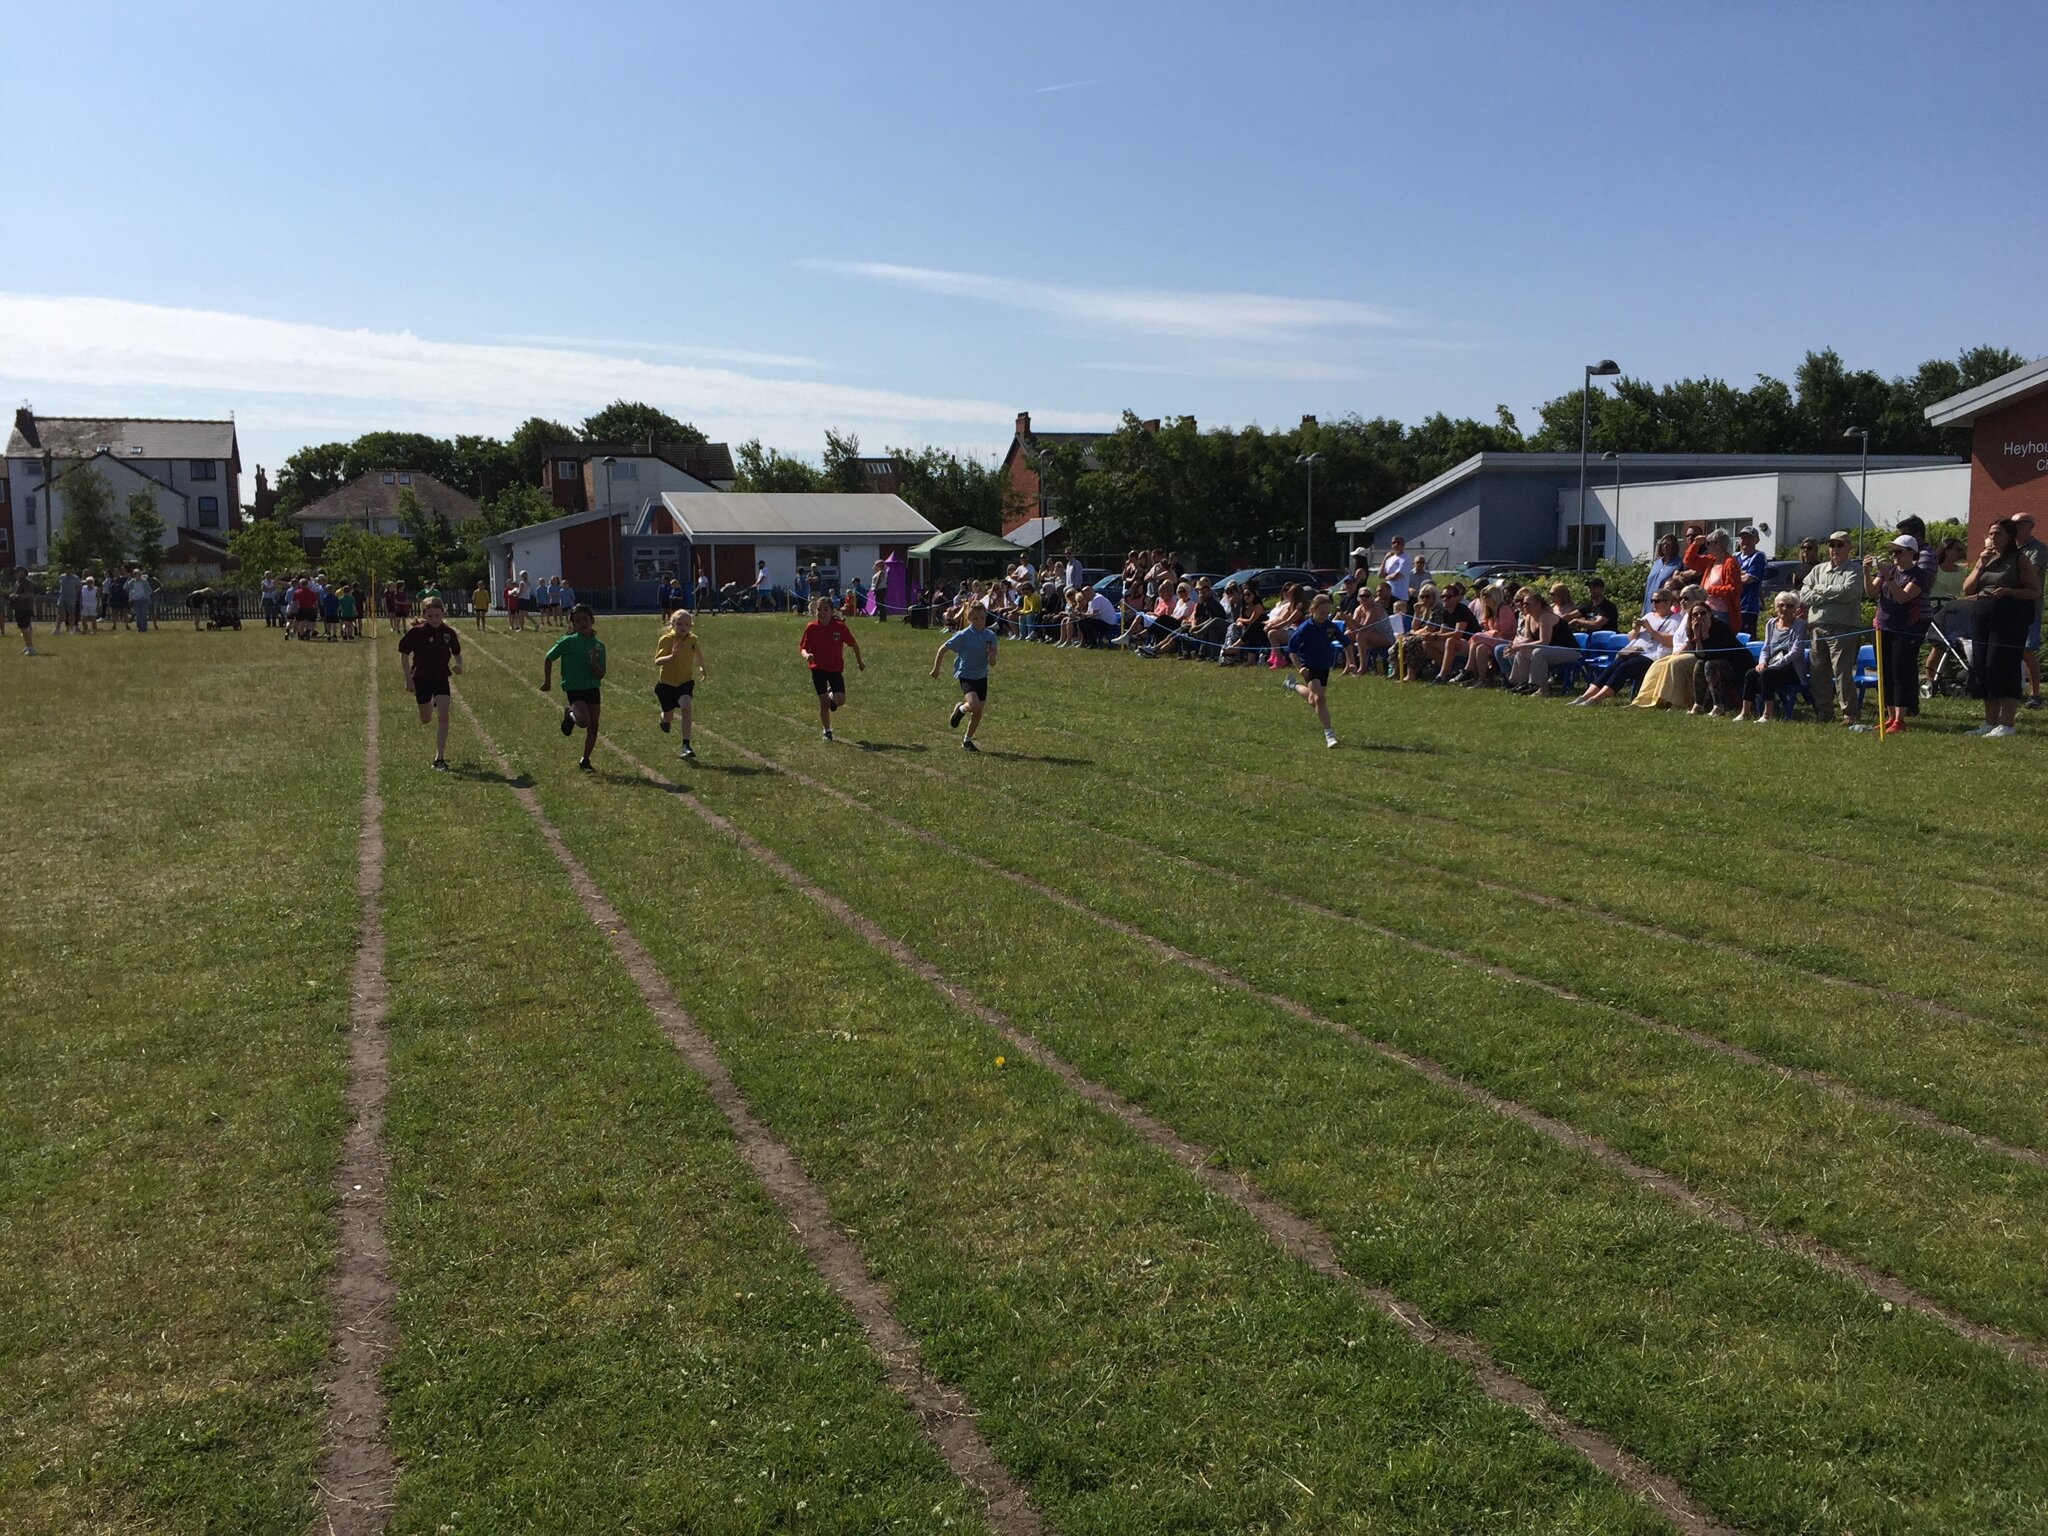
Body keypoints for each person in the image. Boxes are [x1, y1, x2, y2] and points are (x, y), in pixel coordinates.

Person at [1961, 517, 2041, 737]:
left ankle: (2007, 723)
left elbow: (2034, 591)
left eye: (1999, 534)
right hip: (1983, 615)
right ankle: (1989, 722)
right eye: (1992, 534)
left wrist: (2010, 592)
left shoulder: (2019, 559)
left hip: (2009, 619)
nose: (1994, 538)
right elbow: (1968, 589)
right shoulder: (1986, 559)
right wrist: (1979, 565)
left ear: (2010, 537)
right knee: (1984, 666)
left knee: (2002, 665)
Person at [1571, 588, 1683, 705]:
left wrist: (1650, 630)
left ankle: (1597, 698)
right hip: (1634, 651)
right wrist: (1635, 630)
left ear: (1668, 602)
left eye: (1657, 601)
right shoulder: (1649, 616)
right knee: (1612, 667)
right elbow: (1630, 638)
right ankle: (1585, 696)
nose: (1654, 603)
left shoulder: (1675, 619)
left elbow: (1671, 641)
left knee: (1624, 667)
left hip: (1653, 656)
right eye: (1652, 601)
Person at [1798, 532, 1865, 728]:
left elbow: (1848, 592)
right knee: (1819, 672)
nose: (1834, 549)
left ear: (1848, 547)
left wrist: (1819, 590)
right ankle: (1824, 712)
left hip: (1842, 628)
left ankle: (1849, 714)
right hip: (1818, 627)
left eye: (1839, 545)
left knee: (1842, 672)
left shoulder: (1854, 570)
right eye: (1832, 545)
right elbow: (1804, 595)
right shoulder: (1819, 569)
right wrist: (1828, 593)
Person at [1866, 534, 1925, 735]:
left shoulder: (1918, 574)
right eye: (1893, 551)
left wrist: (1889, 579)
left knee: (1899, 672)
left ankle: (1900, 718)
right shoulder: (1887, 571)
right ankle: (1889, 716)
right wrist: (1867, 572)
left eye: (1899, 551)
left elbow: (1903, 597)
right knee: (1884, 673)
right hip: (1882, 627)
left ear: (1911, 553)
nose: (1895, 555)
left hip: (1904, 629)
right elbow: (1872, 592)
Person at [397, 595, 463, 770]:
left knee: (444, 717)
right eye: (430, 616)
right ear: (424, 615)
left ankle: (439, 758)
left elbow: (457, 652)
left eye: (437, 615)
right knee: (426, 719)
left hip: (441, 678)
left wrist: (459, 665)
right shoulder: (417, 632)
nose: (434, 619)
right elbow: (404, 653)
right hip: (421, 678)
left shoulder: (448, 633)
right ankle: (430, 702)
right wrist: (408, 679)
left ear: (443, 614)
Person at [540, 603, 606, 772]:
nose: (582, 623)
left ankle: (585, 759)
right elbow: (549, 658)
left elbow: (600, 674)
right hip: (574, 687)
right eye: (578, 621)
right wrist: (547, 682)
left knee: (594, 725)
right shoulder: (568, 642)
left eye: (585, 619)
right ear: (573, 625)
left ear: (592, 621)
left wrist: (593, 662)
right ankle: (570, 713)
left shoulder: (599, 646)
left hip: (592, 687)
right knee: (583, 721)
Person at [1280, 591, 1343, 748]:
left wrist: (1352, 663)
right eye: (1322, 612)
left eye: (1328, 613)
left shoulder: (1330, 626)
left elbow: (1346, 643)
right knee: (1320, 699)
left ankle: (1292, 685)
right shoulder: (1305, 628)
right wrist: (1300, 668)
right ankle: (1330, 735)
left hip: (1324, 667)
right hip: (1309, 667)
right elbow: (1292, 649)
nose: (1325, 616)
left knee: (1313, 700)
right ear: (1313, 610)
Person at [1734, 591, 1809, 722]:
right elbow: (1766, 647)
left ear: (1795, 608)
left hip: (1790, 667)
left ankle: (1768, 714)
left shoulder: (1800, 625)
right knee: (1751, 674)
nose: (1784, 609)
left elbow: (1795, 653)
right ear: (1776, 607)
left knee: (1767, 674)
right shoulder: (1771, 623)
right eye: (1781, 605)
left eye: (1789, 606)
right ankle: (1745, 712)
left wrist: (1773, 665)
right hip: (1772, 664)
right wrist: (1762, 662)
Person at [932, 602, 998, 751]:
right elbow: (943, 649)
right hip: (966, 674)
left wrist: (992, 656)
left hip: (982, 676)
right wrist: (936, 669)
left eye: (982, 618)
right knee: (974, 705)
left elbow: (992, 663)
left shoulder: (990, 636)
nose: (979, 622)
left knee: (978, 711)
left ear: (986, 617)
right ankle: (961, 709)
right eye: (975, 619)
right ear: (969, 619)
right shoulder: (963, 635)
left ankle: (967, 741)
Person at [1632, 588, 1712, 710]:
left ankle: (1676, 703)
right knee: (1657, 665)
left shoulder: (1700, 616)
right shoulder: (1685, 616)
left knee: (1674, 663)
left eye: (1686, 598)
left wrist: (1678, 653)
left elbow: (1690, 642)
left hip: (1694, 653)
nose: (1682, 602)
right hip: (1678, 652)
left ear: (1698, 600)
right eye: (1681, 598)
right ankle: (1647, 699)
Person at [799, 594, 864, 741]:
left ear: (832, 611)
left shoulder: (839, 628)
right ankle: (827, 731)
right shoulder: (811, 628)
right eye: (820, 610)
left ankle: (832, 696)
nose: (822, 613)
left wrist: (859, 661)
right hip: (818, 668)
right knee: (823, 702)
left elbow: (853, 643)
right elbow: (803, 647)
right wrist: (806, 655)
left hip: (835, 668)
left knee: (840, 700)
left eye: (825, 610)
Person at [1504, 585, 1581, 695]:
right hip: (1550, 650)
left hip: (1570, 651)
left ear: (1538, 605)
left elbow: (1544, 642)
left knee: (1538, 653)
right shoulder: (1529, 617)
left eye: (1527, 603)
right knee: (1523, 650)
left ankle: (1541, 688)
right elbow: (1527, 638)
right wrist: (1515, 646)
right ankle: (1520, 683)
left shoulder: (1545, 617)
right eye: (1523, 603)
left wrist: (1520, 646)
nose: (1523, 605)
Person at [653, 607, 708, 759]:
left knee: (686, 706)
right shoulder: (666, 640)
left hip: (685, 681)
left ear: (691, 626)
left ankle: (686, 745)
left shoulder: (692, 639)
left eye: (686, 624)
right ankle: (664, 718)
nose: (683, 627)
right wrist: (671, 656)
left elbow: (697, 653)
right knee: (668, 716)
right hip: (667, 683)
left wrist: (702, 667)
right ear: (673, 624)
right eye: (679, 624)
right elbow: (657, 661)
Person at [2017, 512, 2047, 710]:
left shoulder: (2038, 549)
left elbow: (2030, 574)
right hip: (2009, 606)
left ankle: (2035, 694)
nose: (2015, 527)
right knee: (2010, 650)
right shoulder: (2008, 548)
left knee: (2027, 650)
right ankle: (2011, 689)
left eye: (2019, 523)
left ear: (2030, 526)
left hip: (2029, 608)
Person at [1734, 526, 1769, 634]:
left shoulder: (1758, 556)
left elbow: (1748, 579)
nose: (1746, 541)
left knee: (1746, 639)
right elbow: (1724, 576)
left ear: (1756, 540)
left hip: (1747, 608)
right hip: (1733, 606)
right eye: (1743, 537)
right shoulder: (1735, 557)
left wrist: (1733, 576)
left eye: (1749, 538)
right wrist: (1739, 575)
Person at [1644, 534, 1682, 609]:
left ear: (1674, 546)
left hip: (1664, 605)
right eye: (1663, 544)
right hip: (1649, 603)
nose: (1665, 546)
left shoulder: (1678, 563)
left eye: (1668, 545)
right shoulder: (1656, 563)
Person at [1379, 537, 1413, 606]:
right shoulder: (1390, 559)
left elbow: (1396, 576)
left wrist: (1386, 576)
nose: (1396, 545)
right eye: (1393, 543)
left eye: (1398, 543)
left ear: (1403, 545)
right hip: (1388, 596)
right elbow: (1380, 575)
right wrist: (1385, 558)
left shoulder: (1405, 559)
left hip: (1400, 597)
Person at [10, 567, 35, 655]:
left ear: (23, 572)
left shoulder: (27, 583)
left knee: (25, 628)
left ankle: (31, 648)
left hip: (24, 608)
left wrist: (17, 596)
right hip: (18, 607)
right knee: (22, 628)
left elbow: (29, 594)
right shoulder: (17, 583)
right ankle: (27, 646)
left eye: (17, 572)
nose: (15, 574)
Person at [55, 568, 80, 634]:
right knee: (60, 614)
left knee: (71, 613)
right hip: (62, 597)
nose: (68, 570)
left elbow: (78, 587)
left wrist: (76, 596)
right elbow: (59, 585)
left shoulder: (75, 578)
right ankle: (57, 629)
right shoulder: (62, 576)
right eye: (67, 568)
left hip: (71, 598)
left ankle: (72, 629)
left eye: (69, 568)